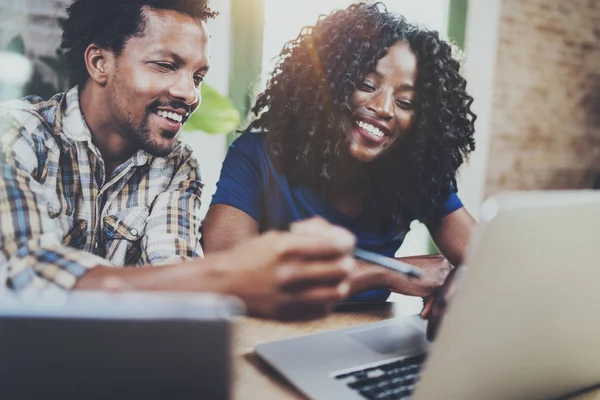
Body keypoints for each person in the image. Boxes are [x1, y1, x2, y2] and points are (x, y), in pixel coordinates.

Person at [0, 0, 357, 321]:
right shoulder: (17, 135)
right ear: (99, 63)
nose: (189, 93)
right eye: (165, 65)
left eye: (197, 76)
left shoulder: (176, 166)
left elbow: (175, 273)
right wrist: (229, 274)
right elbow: (27, 274)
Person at [203, 2, 477, 305]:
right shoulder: (258, 156)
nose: (384, 108)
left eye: (406, 102)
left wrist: (460, 281)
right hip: (269, 343)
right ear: (326, 85)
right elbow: (228, 274)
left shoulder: (417, 176)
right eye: (366, 84)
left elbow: (488, 264)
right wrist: (386, 272)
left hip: (364, 346)